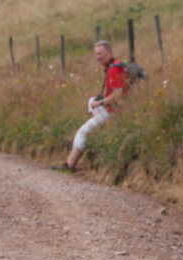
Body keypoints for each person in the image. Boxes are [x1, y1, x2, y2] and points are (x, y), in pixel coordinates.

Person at [55, 41, 130, 173]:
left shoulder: (114, 69)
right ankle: (102, 127)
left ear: (109, 53)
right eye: (96, 54)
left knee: (82, 132)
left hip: (116, 113)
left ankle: (70, 165)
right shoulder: (115, 65)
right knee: (91, 101)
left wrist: (100, 103)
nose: (98, 57)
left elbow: (118, 96)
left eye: (101, 54)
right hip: (119, 110)